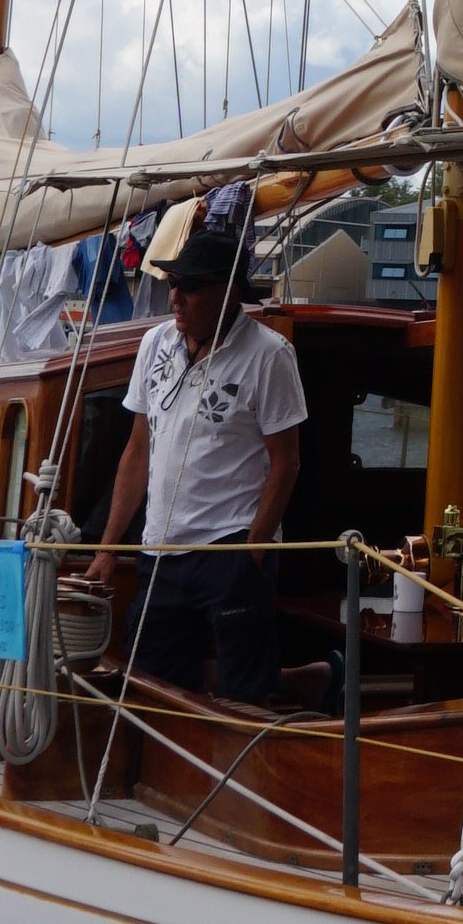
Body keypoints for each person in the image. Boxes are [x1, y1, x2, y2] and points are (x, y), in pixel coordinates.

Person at [97, 187, 303, 701]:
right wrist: (107, 550)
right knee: (151, 690)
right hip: (160, 550)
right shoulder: (154, 344)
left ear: (229, 291)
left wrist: (252, 556)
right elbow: (137, 452)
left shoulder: (270, 355)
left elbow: (286, 463)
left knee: (245, 695)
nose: (175, 296)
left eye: (190, 286)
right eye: (173, 283)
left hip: (230, 547)